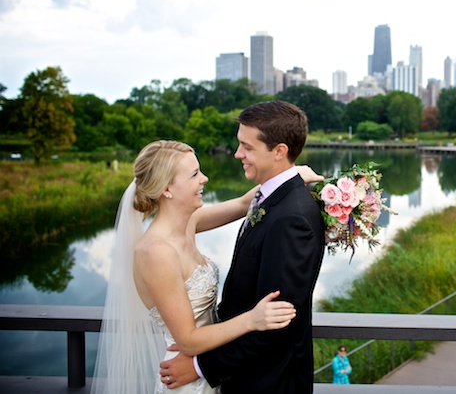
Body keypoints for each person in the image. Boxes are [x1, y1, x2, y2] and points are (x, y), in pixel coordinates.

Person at [91, 140, 323, 394]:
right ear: (167, 188)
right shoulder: (155, 252)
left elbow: (242, 204)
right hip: (187, 377)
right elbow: (188, 340)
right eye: (194, 175)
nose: (205, 178)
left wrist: (293, 174)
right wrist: (252, 319)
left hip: (215, 368)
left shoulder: (189, 222)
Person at [160, 101, 326, 393]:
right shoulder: (269, 196)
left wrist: (201, 367)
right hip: (244, 373)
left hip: (267, 383)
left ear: (279, 151)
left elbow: (278, 322)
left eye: (246, 147)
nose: (238, 154)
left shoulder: (293, 218)